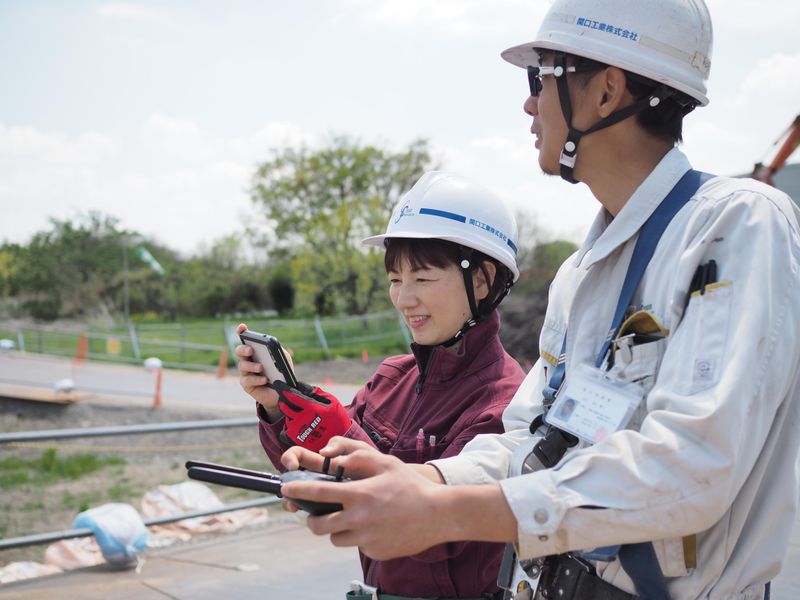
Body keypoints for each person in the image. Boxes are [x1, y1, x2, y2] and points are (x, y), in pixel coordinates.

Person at [278, 1, 800, 599]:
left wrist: (443, 514)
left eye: (542, 77)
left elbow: (690, 468)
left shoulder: (736, 224)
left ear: (606, 92)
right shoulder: (582, 272)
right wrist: (424, 479)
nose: (529, 105)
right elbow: (534, 441)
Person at [236, 171, 526, 599]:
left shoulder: (505, 401)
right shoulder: (393, 376)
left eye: (423, 279)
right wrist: (282, 406)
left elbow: (429, 529)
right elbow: (326, 463)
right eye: (395, 279)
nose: (403, 299)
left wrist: (342, 446)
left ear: (482, 280)